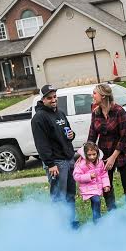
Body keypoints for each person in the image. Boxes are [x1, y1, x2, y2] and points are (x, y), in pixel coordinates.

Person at [31, 84, 79, 223]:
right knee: (58, 197)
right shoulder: (39, 118)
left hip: (69, 159)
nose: (53, 100)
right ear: (43, 99)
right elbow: (41, 144)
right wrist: (50, 164)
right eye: (49, 98)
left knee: (70, 194)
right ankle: (60, 228)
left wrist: (71, 135)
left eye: (55, 97)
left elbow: (68, 132)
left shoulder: (60, 113)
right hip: (56, 163)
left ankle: (72, 221)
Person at [87, 83, 126, 208]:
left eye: (95, 93)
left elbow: (125, 137)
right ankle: (113, 215)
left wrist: (113, 157)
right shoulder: (95, 113)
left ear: (103, 96)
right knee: (106, 187)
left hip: (122, 153)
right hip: (104, 154)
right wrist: (86, 155)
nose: (93, 96)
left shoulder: (119, 111)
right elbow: (92, 136)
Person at [73, 142, 111, 221]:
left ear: (97, 153)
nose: (92, 157)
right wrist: (88, 176)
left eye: (94, 154)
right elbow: (76, 176)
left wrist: (106, 185)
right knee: (96, 200)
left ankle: (96, 218)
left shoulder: (100, 162)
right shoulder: (81, 164)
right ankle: (97, 219)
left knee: (96, 202)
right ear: (85, 154)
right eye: (89, 155)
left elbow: (104, 174)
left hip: (97, 187)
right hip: (88, 188)